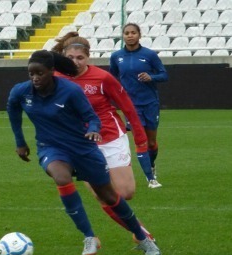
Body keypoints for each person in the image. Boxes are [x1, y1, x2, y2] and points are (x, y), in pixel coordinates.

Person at [7, 50, 161, 255]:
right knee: (61, 178)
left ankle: (142, 237)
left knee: (109, 195)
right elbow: (12, 108)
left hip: (83, 147)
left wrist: (93, 129)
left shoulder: (70, 90)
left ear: (52, 72)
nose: (35, 78)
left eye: (40, 73)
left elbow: (91, 116)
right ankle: (89, 237)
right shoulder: (22, 91)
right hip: (51, 147)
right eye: (31, 74)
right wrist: (20, 142)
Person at [51, 31, 158, 241]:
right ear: (64, 57)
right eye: (70, 58)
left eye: (80, 58)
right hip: (80, 143)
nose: (75, 62)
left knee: (125, 192)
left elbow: (127, 107)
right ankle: (142, 234)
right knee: (102, 195)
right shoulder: (56, 78)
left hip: (109, 136)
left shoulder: (102, 77)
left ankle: (139, 232)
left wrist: (140, 140)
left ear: (88, 57)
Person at [110, 23, 168, 188]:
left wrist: (152, 77)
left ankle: (151, 164)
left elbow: (164, 75)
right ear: (123, 36)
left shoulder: (149, 55)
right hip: (130, 105)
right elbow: (112, 78)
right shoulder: (116, 56)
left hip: (150, 103)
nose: (130, 35)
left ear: (139, 35)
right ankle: (151, 179)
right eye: (126, 33)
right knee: (140, 140)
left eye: (133, 32)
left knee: (151, 142)